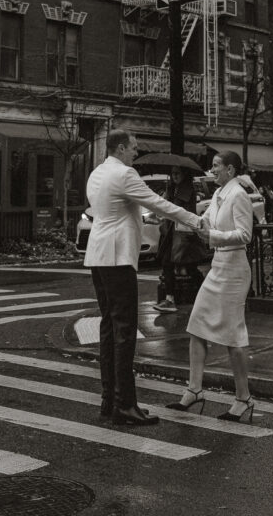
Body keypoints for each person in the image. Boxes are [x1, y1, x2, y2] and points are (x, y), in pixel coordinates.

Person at [84, 129, 202, 427]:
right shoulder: (125, 174)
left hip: (98, 256)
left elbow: (115, 211)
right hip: (118, 257)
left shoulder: (97, 173)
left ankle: (109, 399)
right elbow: (158, 203)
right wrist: (196, 220)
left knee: (109, 328)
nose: (136, 153)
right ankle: (125, 405)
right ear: (121, 148)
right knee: (124, 331)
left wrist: (142, 218)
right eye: (133, 148)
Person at [167, 150, 254, 422]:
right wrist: (197, 225)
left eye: (217, 165)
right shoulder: (218, 195)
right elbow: (208, 225)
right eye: (213, 165)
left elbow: (245, 235)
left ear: (230, 169)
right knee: (197, 325)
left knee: (233, 336)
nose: (212, 169)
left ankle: (244, 399)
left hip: (235, 269)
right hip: (217, 266)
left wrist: (212, 234)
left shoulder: (238, 195)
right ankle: (194, 390)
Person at [154, 167, 205, 312]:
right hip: (170, 233)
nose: (174, 176)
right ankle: (170, 299)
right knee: (167, 263)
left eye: (177, 173)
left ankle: (207, 293)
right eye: (173, 173)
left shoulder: (187, 191)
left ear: (184, 174)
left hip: (183, 235)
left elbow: (185, 212)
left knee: (190, 267)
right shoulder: (171, 189)